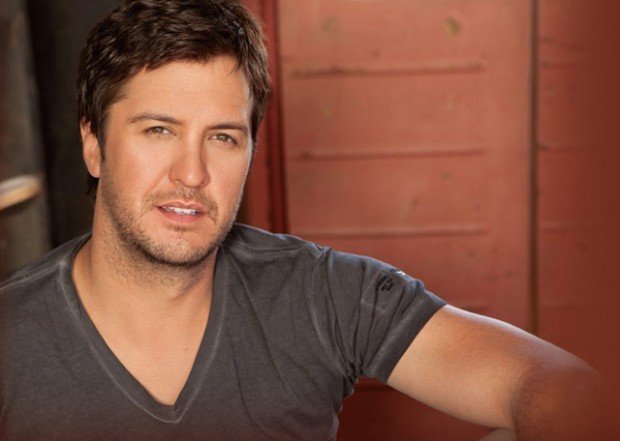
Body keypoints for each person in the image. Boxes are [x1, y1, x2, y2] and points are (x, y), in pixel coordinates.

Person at [0, 1, 610, 440]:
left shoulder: (322, 294)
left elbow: (556, 387)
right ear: (94, 145)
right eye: (159, 130)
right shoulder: (12, 338)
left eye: (223, 137)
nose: (192, 173)